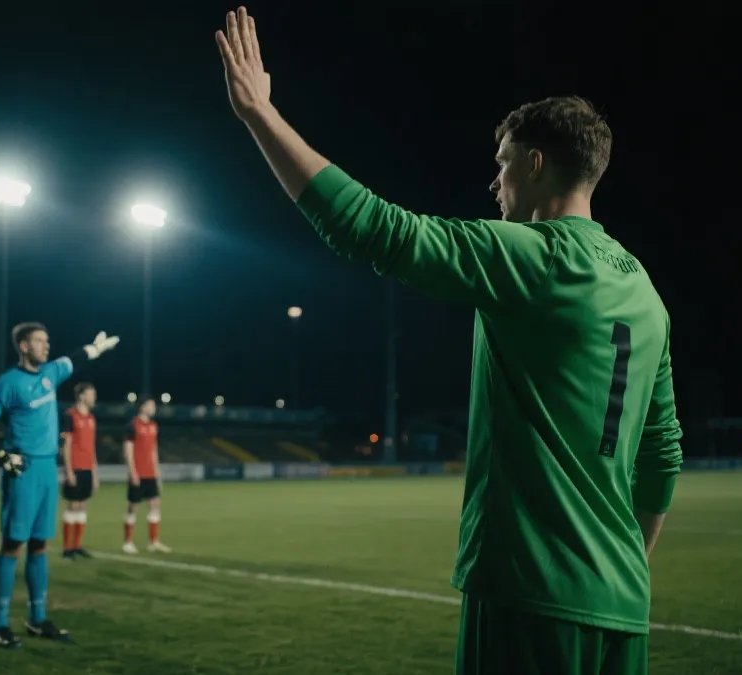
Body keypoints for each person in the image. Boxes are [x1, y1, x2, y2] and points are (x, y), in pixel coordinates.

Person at [215, 8, 683, 675]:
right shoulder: (646, 292)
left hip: (530, 594)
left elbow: (375, 230)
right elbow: (662, 455)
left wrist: (261, 114)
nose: (495, 184)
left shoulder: (534, 257)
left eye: (503, 165)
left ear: (537, 162)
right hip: (622, 608)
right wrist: (624, 563)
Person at [0, 322, 119, 649]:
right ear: (23, 346)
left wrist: (96, 348)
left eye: (47, 341)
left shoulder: (51, 372)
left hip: (48, 470)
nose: (46, 346)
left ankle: (37, 619)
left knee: (40, 545)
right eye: (39, 341)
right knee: (13, 546)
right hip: (23, 470)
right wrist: (0, 453)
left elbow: (75, 359)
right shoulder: (8, 383)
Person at [121, 397, 169, 554]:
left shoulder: (154, 426)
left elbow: (154, 451)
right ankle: (127, 542)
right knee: (133, 507)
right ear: (142, 407)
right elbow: (128, 451)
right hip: (138, 473)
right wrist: (132, 472)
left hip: (150, 473)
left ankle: (153, 542)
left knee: (155, 505)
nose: (153, 408)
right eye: (150, 405)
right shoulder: (132, 425)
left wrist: (157, 474)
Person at [60, 382, 99, 560]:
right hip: (74, 468)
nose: (94, 397)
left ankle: (77, 546)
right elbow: (66, 445)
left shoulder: (91, 418)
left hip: (87, 469)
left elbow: (92, 448)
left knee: (83, 505)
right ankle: (67, 548)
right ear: (82, 396)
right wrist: (68, 471)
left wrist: (95, 473)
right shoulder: (69, 416)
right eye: (91, 394)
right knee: (73, 505)